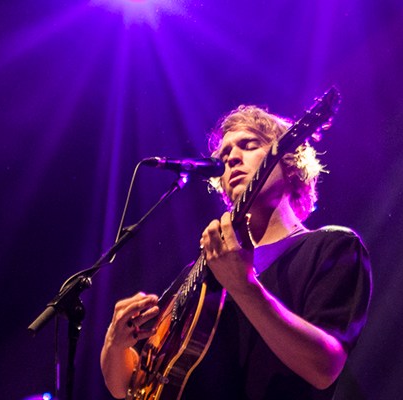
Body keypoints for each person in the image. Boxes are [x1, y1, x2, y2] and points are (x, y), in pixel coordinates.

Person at [100, 105, 372, 399]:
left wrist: (244, 286)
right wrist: (115, 346)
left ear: (290, 161)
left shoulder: (332, 247)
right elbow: (129, 389)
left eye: (248, 145)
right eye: (225, 154)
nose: (230, 158)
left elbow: (324, 368)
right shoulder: (202, 271)